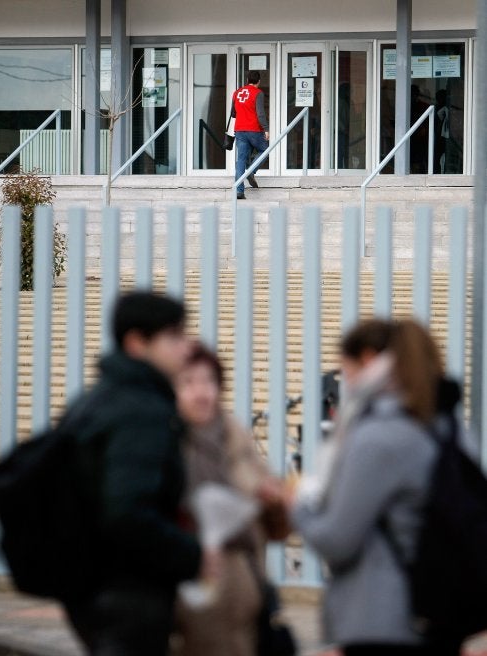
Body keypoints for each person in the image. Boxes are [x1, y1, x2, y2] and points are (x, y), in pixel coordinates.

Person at [290, 318, 464, 656]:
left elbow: (338, 539)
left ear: (369, 361)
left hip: (384, 620)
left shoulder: (378, 438)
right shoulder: (448, 430)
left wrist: (296, 505)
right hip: (441, 610)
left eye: (346, 368)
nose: (346, 381)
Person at [61, 291, 214, 656]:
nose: (185, 347)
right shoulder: (141, 412)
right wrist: (194, 556)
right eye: (174, 337)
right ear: (136, 343)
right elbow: (127, 511)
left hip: (92, 586)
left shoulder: (96, 399)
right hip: (127, 592)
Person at [171, 343, 290, 656]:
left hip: (248, 589)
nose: (201, 392)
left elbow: (278, 530)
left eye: (209, 381)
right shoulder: (166, 442)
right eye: (189, 382)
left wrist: (275, 502)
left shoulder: (235, 436)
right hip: (194, 593)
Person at [231, 70, 269, 200]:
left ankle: (239, 191)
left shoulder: (237, 93)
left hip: (240, 130)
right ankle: (251, 171)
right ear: (258, 81)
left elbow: (233, 113)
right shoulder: (258, 93)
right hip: (254, 129)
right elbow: (260, 113)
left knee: (241, 159)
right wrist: (266, 129)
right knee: (265, 149)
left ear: (247, 80)